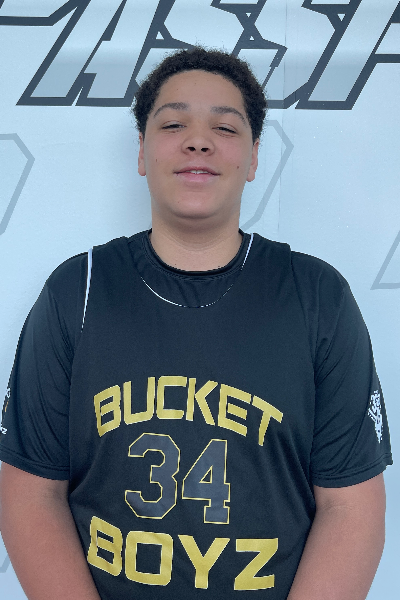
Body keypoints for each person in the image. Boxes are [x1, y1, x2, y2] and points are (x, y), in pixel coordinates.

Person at [0, 47, 392, 600]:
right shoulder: (78, 291)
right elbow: (30, 491)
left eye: (225, 128)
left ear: (253, 158)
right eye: (174, 124)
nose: (198, 141)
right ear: (142, 151)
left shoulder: (317, 298)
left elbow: (350, 506)